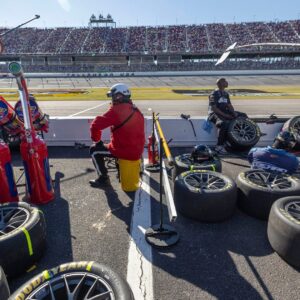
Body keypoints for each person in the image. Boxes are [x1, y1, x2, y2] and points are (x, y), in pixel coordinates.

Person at [89, 83, 145, 187]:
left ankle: (103, 178)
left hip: (125, 151)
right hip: (138, 151)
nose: (112, 100)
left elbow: (95, 126)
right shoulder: (135, 109)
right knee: (117, 143)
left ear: (119, 96)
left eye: (113, 97)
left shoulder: (116, 111)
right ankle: (139, 169)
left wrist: (97, 141)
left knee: (94, 150)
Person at [208, 78, 247, 154]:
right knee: (224, 123)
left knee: (243, 115)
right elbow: (214, 109)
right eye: (225, 81)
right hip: (214, 114)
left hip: (224, 112)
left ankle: (245, 138)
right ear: (221, 83)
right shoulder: (213, 94)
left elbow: (229, 106)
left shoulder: (226, 94)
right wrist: (226, 115)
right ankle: (219, 146)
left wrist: (233, 113)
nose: (227, 82)